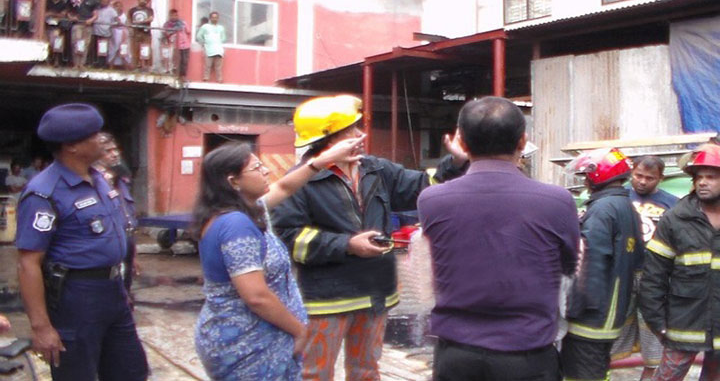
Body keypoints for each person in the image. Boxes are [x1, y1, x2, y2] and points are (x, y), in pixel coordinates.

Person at [272, 94, 468, 381]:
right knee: (314, 373)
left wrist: (455, 161)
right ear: (328, 139)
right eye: (351, 130)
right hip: (327, 299)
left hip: (375, 293)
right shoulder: (302, 180)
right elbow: (288, 238)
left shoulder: (375, 168)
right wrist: (347, 245)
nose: (360, 135)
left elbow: (426, 186)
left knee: (366, 372)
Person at [417, 97, 579, 380]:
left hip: (457, 356)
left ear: (463, 144)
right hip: (527, 355)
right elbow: (568, 265)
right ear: (522, 141)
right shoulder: (557, 201)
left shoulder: (432, 200)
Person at [192, 137, 364, 380]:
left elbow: (284, 187)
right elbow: (256, 296)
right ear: (233, 181)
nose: (267, 171)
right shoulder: (236, 223)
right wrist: (299, 331)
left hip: (257, 337)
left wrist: (324, 160)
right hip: (248, 343)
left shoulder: (246, 209)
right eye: (257, 168)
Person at [15, 103, 148, 381]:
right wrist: (41, 327)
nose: (101, 138)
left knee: (131, 371)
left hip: (113, 292)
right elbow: (28, 263)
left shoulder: (99, 178)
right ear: (72, 146)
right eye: (93, 134)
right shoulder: (43, 193)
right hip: (76, 297)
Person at [561, 148, 645, 381]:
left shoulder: (601, 210)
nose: (586, 181)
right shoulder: (626, 207)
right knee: (598, 370)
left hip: (591, 319)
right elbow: (638, 258)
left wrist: (573, 308)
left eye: (587, 175)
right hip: (611, 312)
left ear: (599, 175)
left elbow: (590, 263)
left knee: (581, 374)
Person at [639, 143, 720, 380]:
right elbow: (654, 275)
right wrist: (657, 322)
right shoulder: (676, 218)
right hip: (683, 325)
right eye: (699, 177)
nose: (703, 182)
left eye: (711, 177)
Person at [611, 155, 678, 380]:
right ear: (631, 173)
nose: (642, 181)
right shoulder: (618, 199)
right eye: (638, 175)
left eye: (650, 178)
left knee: (654, 331)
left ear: (660, 178)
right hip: (622, 273)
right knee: (613, 328)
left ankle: (650, 375)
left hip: (655, 276)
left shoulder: (673, 203)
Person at [93, 132, 137, 302]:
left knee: (126, 285)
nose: (115, 154)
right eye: (108, 151)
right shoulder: (94, 183)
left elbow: (128, 214)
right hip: (109, 241)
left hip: (127, 237)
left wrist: (134, 256)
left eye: (115, 149)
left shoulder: (121, 180)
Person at [68, 0, 98, 69]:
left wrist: (91, 20)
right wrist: (72, 17)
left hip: (87, 25)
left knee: (85, 44)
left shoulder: (92, 1)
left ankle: (82, 64)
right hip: (77, 24)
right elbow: (68, 12)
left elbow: (96, 15)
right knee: (76, 43)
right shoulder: (73, 0)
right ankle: (76, 63)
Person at [196, 11, 225, 82]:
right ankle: (206, 78)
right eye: (213, 17)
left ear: (218, 19)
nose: (214, 19)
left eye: (216, 18)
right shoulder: (205, 27)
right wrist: (204, 42)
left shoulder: (221, 28)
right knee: (207, 65)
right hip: (209, 49)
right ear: (210, 18)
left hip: (218, 50)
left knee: (218, 67)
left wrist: (217, 42)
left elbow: (223, 38)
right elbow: (199, 36)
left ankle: (219, 79)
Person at [162, 9, 190, 78]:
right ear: (170, 16)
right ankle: (171, 72)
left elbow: (188, 31)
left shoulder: (182, 23)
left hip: (184, 45)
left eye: (176, 15)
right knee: (172, 60)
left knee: (184, 61)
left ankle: (182, 76)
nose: (174, 17)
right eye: (172, 15)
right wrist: (171, 33)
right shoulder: (167, 25)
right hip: (172, 45)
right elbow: (165, 33)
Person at [90, 0, 116, 68]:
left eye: (106, 2)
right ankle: (95, 63)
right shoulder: (97, 8)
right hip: (96, 31)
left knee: (103, 49)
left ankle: (103, 64)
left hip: (105, 32)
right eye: (103, 1)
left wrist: (113, 24)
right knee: (95, 48)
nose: (104, 3)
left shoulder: (111, 10)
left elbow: (116, 19)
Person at [128, 0, 153, 71]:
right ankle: (136, 66)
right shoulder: (132, 10)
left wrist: (139, 22)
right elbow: (129, 21)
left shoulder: (149, 10)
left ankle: (146, 67)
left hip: (146, 33)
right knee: (135, 49)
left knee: (146, 49)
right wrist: (130, 29)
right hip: (136, 33)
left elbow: (150, 19)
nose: (143, 1)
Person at [108, 0, 131, 70]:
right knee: (113, 50)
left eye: (120, 6)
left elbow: (127, 24)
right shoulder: (112, 15)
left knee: (123, 49)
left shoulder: (125, 15)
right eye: (116, 6)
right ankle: (111, 66)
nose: (118, 8)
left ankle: (126, 66)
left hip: (123, 33)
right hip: (114, 33)